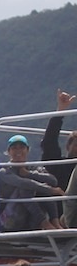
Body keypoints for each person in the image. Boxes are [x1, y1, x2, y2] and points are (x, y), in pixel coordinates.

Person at [0, 134, 64, 230]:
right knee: (26, 188)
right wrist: (50, 190)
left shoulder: (32, 168)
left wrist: (29, 174)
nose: (18, 151)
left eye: (22, 147)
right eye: (14, 148)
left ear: (27, 150)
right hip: (10, 220)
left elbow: (53, 180)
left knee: (42, 186)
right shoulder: (4, 171)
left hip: (31, 219)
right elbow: (23, 183)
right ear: (9, 152)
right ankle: (44, 223)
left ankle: (55, 222)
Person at [42, 89, 77, 227]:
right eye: (76, 145)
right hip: (63, 219)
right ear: (68, 146)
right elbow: (49, 142)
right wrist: (60, 111)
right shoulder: (58, 165)